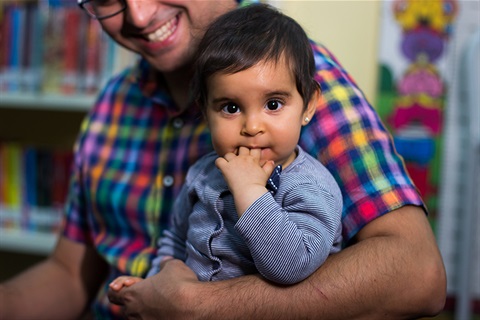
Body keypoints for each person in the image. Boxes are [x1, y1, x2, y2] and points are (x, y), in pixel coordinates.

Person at [0, 0, 446, 319]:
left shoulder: (295, 76)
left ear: (306, 103)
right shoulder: (112, 103)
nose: (137, 14)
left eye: (271, 105)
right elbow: (69, 272)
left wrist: (195, 306)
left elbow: (416, 275)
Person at [110, 4, 343, 292]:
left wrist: (250, 192)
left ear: (308, 105)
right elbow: (177, 238)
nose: (252, 126)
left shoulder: (310, 186)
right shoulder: (205, 173)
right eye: (231, 108)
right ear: (205, 112)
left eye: (273, 104)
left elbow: (293, 266)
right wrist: (155, 282)